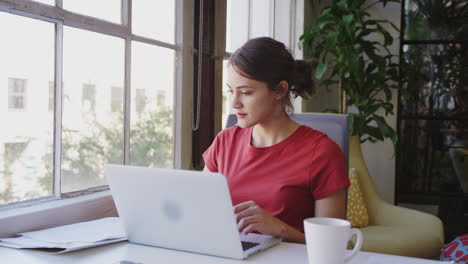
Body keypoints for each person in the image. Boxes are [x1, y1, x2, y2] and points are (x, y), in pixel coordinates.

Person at [203, 37, 350, 244]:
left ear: (280, 90)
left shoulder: (322, 152)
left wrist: (279, 229)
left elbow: (333, 245)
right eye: (231, 91)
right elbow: (200, 211)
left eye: (246, 92)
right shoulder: (224, 142)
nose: (234, 103)